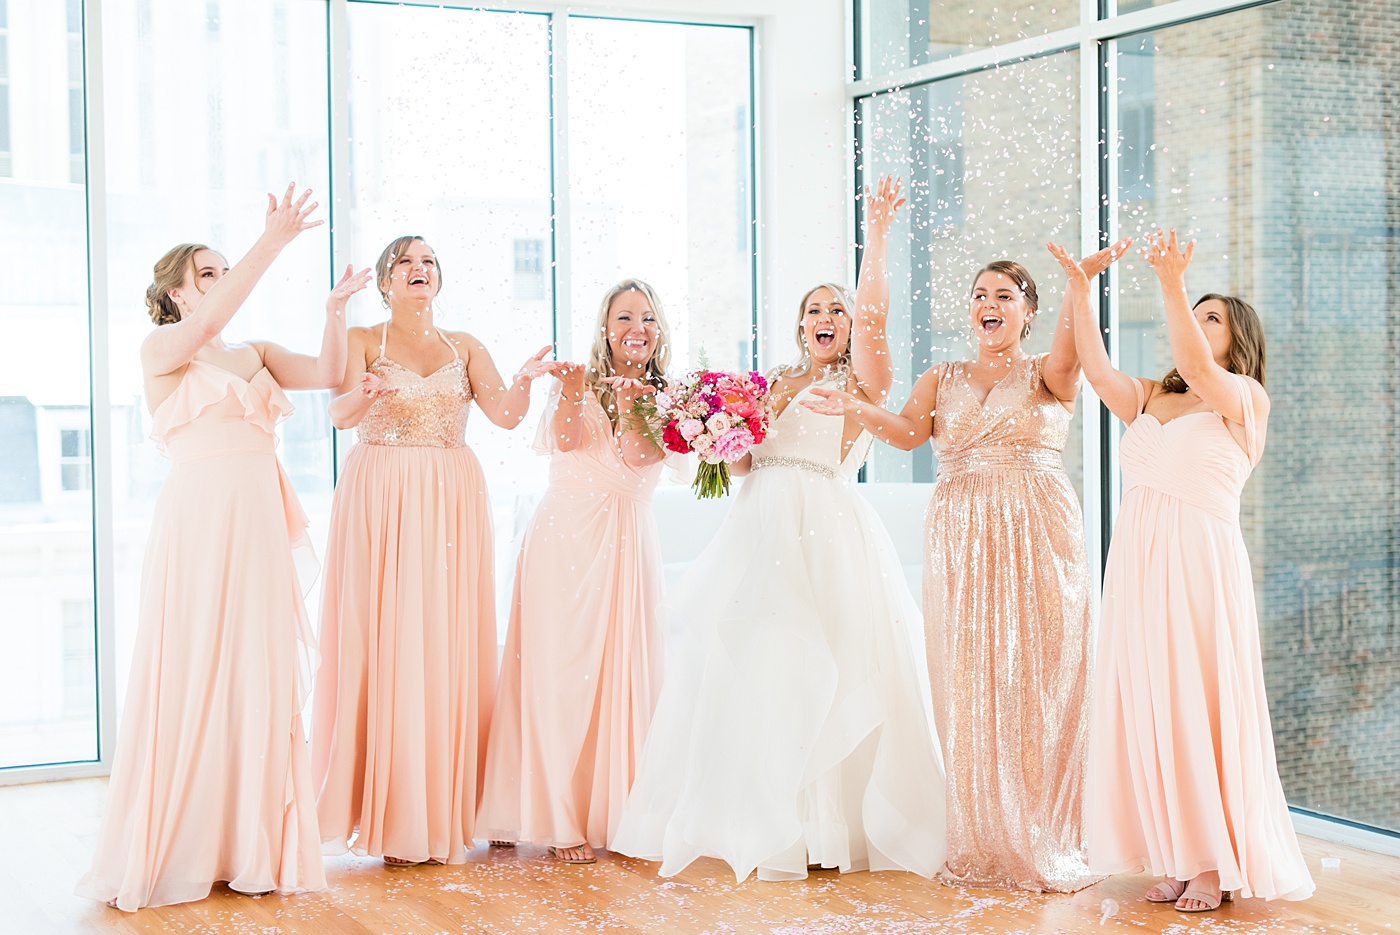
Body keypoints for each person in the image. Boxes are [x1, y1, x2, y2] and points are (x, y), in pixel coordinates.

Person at [612, 177, 948, 882]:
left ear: (853, 326)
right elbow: (742, 468)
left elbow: (879, 322)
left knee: (830, 662)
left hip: (826, 533)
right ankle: (761, 819)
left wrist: (878, 237)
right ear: (799, 326)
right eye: (814, 310)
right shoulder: (769, 383)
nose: (827, 317)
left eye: (839, 310)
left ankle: (832, 827)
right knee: (762, 667)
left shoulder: (863, 383)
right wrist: (715, 438)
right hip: (757, 531)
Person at [808, 238, 1131, 891]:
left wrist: (1079, 285)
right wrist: (857, 407)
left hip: (1040, 531)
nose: (989, 304)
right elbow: (903, 433)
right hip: (961, 536)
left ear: (1027, 312)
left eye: (1004, 296)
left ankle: (1043, 831)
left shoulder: (1048, 371)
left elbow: (1074, 353)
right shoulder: (942, 376)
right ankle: (985, 835)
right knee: (972, 681)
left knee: (1039, 680)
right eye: (980, 295)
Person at [77, 186, 362, 910]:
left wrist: (334, 314)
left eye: (223, 270)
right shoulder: (163, 350)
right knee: (195, 659)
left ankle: (248, 840)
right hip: (200, 521)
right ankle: (183, 837)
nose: (220, 281)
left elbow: (331, 374)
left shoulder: (255, 352)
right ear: (175, 292)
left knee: (255, 666)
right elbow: (211, 323)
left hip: (258, 517)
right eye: (208, 273)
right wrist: (272, 242)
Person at [1063, 229, 1315, 911]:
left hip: (1202, 568)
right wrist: (1080, 294)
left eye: (1212, 319)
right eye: (1192, 313)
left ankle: (1212, 864)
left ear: (1238, 341)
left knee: (1199, 703)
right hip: (1140, 564)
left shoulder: (1244, 402)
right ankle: (1175, 851)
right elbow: (1098, 372)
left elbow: (1199, 370)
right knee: (1154, 704)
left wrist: (1172, 282)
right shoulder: (1150, 397)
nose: (1198, 327)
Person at [312, 234, 554, 867]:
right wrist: (364, 390)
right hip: (381, 491)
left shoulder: (465, 346)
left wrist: (525, 381)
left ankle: (457, 803)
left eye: (428, 263)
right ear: (387, 280)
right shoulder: (366, 339)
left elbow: (502, 416)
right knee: (387, 636)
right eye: (405, 262)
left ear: (438, 279)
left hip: (450, 492)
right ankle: (392, 812)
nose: (418, 270)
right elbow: (337, 413)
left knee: (445, 638)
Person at [477, 279, 672, 865]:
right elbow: (564, 442)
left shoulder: (675, 398)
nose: (637, 327)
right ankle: (549, 813)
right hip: (566, 537)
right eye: (624, 317)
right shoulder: (577, 384)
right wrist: (572, 394)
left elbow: (639, 457)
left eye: (648, 318)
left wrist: (646, 399)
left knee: (618, 671)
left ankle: (608, 808)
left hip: (628, 541)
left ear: (660, 332)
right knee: (557, 670)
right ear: (605, 328)